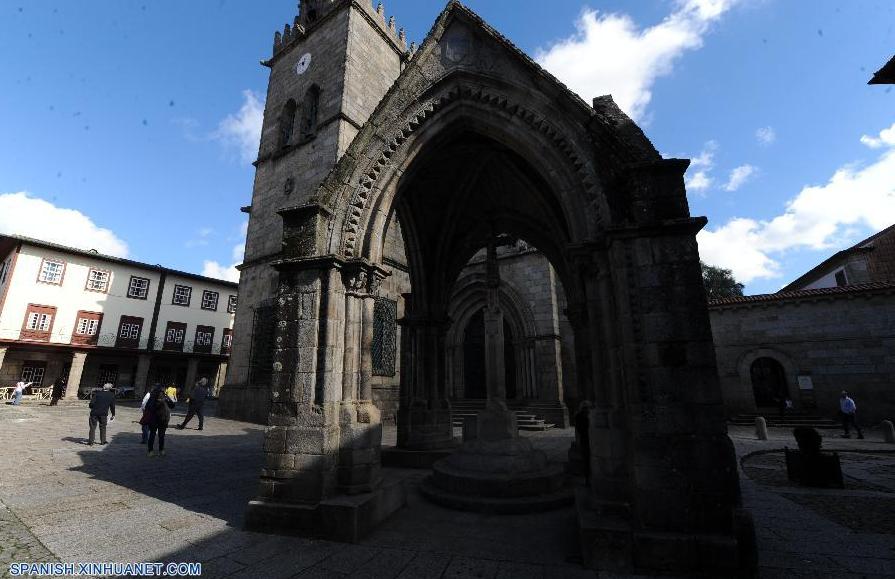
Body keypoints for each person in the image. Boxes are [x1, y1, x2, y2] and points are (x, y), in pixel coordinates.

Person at [141, 384, 174, 457]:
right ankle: (161, 450)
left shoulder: (152, 397)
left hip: (155, 419)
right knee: (161, 435)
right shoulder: (164, 397)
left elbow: (147, 407)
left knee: (152, 435)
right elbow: (172, 405)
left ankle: (151, 451)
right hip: (163, 419)